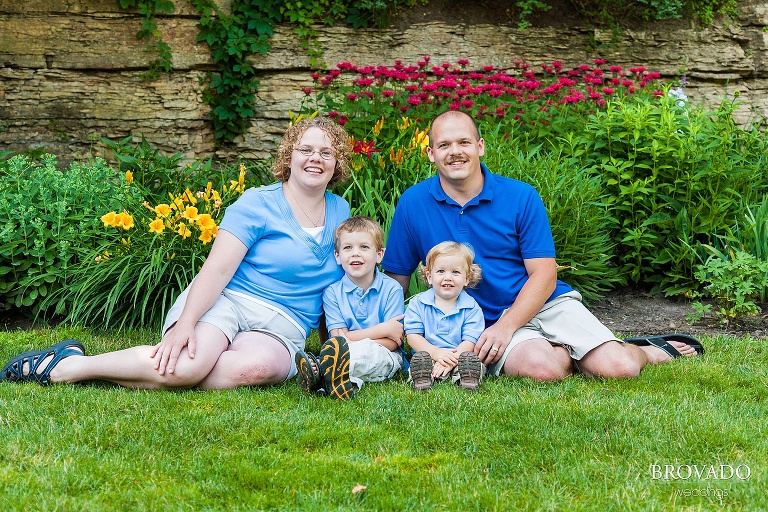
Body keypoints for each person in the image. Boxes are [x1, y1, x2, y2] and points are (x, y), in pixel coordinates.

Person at [1, 116, 353, 389]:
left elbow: (329, 289)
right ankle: (68, 366)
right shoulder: (257, 204)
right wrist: (186, 323)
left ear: (337, 163)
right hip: (230, 301)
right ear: (288, 156)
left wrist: (329, 349)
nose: (315, 159)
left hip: (282, 325)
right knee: (186, 365)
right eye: (306, 150)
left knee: (258, 369)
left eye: (326, 152)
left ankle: (165, 373)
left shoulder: (342, 213)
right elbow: (215, 271)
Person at [382, 110, 705, 382]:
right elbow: (397, 278)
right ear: (430, 153)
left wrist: (507, 328)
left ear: (480, 146)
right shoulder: (413, 202)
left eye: (464, 142)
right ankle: (575, 350)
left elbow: (544, 274)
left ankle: (645, 349)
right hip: (482, 319)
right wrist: (391, 332)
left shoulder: (521, 196)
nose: (455, 151)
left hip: (546, 303)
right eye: (444, 145)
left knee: (620, 369)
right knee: (543, 370)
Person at [295, 216, 405, 400]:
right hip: (346, 351)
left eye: (364, 247)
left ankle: (321, 374)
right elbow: (338, 339)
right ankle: (338, 383)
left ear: (379, 254)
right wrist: (382, 329)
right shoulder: (332, 293)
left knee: (367, 355)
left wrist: (352, 341)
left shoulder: (392, 289)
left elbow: (393, 342)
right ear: (337, 256)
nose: (355, 253)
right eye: (348, 248)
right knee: (348, 355)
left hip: (386, 353)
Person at [405, 241, 485, 391]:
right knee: (422, 363)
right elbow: (413, 336)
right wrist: (435, 353)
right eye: (441, 271)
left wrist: (450, 361)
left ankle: (467, 378)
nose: (448, 277)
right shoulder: (418, 303)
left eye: (455, 272)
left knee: (471, 363)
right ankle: (422, 378)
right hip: (428, 355)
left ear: (466, 279)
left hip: (458, 357)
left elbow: (470, 341)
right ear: (429, 277)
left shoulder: (471, 307)